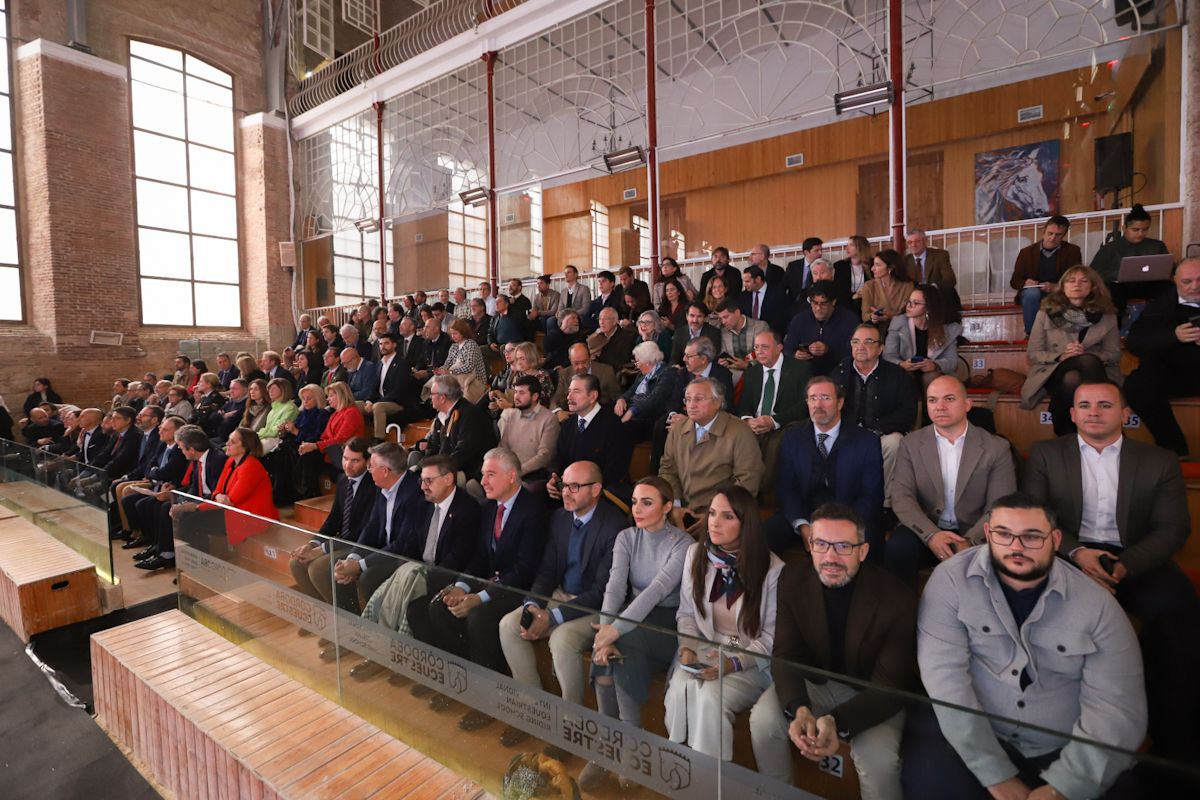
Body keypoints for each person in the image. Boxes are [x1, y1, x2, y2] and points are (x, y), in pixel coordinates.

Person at [906, 492, 1146, 800]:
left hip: (1061, 746)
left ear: (1056, 539)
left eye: (1031, 536)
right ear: (988, 534)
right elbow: (946, 682)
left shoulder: (1098, 607)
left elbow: (1117, 709)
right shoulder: (950, 581)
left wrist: (1065, 786)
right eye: (1004, 534)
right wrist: (995, 775)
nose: (1016, 547)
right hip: (972, 735)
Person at [1024, 380, 1199, 773]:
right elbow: (1035, 515)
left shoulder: (1158, 460)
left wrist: (1125, 565)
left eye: (1105, 405)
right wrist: (1077, 552)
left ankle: (1173, 738)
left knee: (1178, 610)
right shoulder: (1045, 454)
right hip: (1066, 554)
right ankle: (1048, 726)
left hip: (1137, 558)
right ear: (1072, 414)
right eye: (1084, 405)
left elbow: (1173, 528)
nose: (1094, 412)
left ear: (1124, 414)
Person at [753, 503, 915, 796]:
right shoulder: (792, 578)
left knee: (879, 762)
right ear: (810, 546)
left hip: (873, 694)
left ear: (862, 551)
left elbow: (890, 687)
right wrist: (800, 710)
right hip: (817, 684)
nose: (830, 557)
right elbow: (785, 655)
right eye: (821, 544)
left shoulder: (897, 598)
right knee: (764, 722)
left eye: (843, 546)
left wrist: (836, 722)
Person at [408, 448, 549, 731]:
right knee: (436, 606)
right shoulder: (489, 508)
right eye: (482, 474)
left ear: (511, 476)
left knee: (479, 617)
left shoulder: (534, 510)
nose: (482, 481)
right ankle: (463, 681)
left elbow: (525, 570)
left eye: (490, 474)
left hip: (521, 589)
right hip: (493, 582)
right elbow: (478, 558)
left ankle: (491, 699)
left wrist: (479, 597)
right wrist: (460, 586)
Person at [497, 461, 626, 743]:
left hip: (595, 605)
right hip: (560, 593)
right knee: (509, 624)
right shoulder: (558, 518)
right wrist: (533, 605)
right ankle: (535, 710)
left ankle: (572, 726)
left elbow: (603, 591)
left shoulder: (615, 525)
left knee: (562, 639)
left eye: (575, 487)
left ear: (596, 489)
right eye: (564, 485)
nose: (566, 492)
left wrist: (552, 617)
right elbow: (546, 570)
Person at [582, 476, 693, 792]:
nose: (637, 508)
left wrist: (614, 630)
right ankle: (609, 745)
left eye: (647, 502)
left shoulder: (683, 544)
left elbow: (657, 591)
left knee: (623, 643)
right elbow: (615, 587)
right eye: (634, 501)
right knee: (610, 654)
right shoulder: (626, 537)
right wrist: (606, 627)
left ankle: (631, 749)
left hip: (665, 621)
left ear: (667, 506)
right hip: (630, 616)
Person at [665, 485, 784, 770]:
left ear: (747, 524)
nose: (715, 522)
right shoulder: (695, 554)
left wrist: (731, 664)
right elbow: (686, 614)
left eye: (727, 516)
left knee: (710, 695)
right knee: (680, 685)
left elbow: (769, 639)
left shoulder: (773, 569)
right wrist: (687, 650)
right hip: (708, 645)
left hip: (747, 656)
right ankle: (680, 766)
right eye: (713, 514)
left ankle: (711, 778)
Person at [885, 376, 1017, 587]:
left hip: (975, 530)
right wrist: (931, 535)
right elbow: (902, 497)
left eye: (949, 399)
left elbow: (1000, 505)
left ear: (967, 404)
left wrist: (970, 541)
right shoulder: (910, 444)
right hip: (926, 528)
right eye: (932, 400)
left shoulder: (996, 448)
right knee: (898, 548)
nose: (940, 407)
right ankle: (902, 615)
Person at [766, 374, 884, 556]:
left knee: (872, 541)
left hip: (849, 517)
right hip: (805, 515)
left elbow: (872, 495)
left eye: (825, 398)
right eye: (813, 398)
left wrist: (840, 528)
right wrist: (802, 525)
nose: (818, 405)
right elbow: (787, 488)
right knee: (764, 535)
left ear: (840, 403)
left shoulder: (866, 441)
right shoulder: (792, 437)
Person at [1021, 265, 1121, 435]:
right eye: (1071, 280)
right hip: (1053, 371)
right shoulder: (1045, 313)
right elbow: (1034, 353)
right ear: (1063, 286)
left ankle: (1066, 434)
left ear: (1093, 286)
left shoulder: (1107, 316)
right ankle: (1109, 432)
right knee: (1078, 369)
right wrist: (1062, 355)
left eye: (1084, 281)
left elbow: (1114, 354)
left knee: (1074, 376)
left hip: (1095, 371)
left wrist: (1087, 355)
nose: (1077, 285)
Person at [329, 442, 423, 621]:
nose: (369, 469)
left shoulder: (413, 493)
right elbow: (371, 527)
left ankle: (378, 631)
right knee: (337, 565)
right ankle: (349, 624)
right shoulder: (383, 487)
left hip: (405, 557)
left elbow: (402, 544)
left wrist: (360, 565)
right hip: (385, 550)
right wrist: (352, 559)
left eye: (371, 466)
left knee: (368, 577)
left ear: (385, 471)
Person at [660, 377, 762, 535]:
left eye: (699, 399)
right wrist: (675, 506)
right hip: (681, 510)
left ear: (717, 402)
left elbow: (747, 480)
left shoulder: (740, 431)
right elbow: (668, 470)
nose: (691, 405)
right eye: (688, 399)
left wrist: (714, 515)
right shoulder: (677, 430)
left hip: (725, 514)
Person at [1124, 257, 1200, 457]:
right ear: (1175, 281)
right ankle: (1174, 450)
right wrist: (1174, 336)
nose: (1195, 286)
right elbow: (1135, 343)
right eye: (1187, 281)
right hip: (1172, 374)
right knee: (1137, 384)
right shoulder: (1160, 305)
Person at [831, 324, 919, 489]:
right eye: (855, 342)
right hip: (847, 432)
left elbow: (907, 413)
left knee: (895, 443)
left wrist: (876, 430)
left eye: (868, 342)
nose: (860, 347)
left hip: (881, 434)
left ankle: (884, 504)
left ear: (880, 349)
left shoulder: (897, 375)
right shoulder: (841, 371)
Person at [138, 425, 228, 571]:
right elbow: (193, 486)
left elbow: (217, 491)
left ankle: (195, 564)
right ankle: (165, 553)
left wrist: (188, 504)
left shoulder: (217, 459)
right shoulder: (196, 459)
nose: (180, 450)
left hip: (214, 504)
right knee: (167, 506)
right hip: (200, 499)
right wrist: (181, 499)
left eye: (181, 448)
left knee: (186, 517)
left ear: (191, 449)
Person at [734, 330, 811, 495]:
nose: (759, 352)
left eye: (764, 347)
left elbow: (803, 406)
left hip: (784, 423)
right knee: (735, 436)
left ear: (779, 348)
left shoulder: (799, 369)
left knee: (776, 443)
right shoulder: (752, 373)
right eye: (756, 347)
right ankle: (738, 493)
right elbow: (744, 405)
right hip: (755, 424)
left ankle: (763, 495)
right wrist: (748, 421)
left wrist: (773, 421)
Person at [549, 374, 631, 500]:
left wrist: (581, 489)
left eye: (576, 392)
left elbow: (615, 470)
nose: (569, 397)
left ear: (593, 396)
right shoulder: (568, 425)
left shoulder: (613, 425)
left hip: (600, 493)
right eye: (569, 391)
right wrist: (553, 478)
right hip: (568, 490)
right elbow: (559, 458)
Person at [201, 427, 278, 546]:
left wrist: (197, 507)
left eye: (232, 442)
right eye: (228, 440)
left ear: (245, 446)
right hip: (232, 512)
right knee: (190, 517)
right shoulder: (231, 461)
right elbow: (217, 490)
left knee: (194, 519)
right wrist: (218, 496)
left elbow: (231, 501)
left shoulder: (251, 467)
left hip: (250, 518)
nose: (227, 444)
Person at [411, 374, 497, 482]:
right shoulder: (441, 415)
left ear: (442, 398)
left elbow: (462, 453)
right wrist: (420, 468)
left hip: (468, 472)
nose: (429, 397)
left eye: (432, 394)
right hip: (447, 467)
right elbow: (434, 447)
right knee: (413, 473)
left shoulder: (469, 415)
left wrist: (436, 471)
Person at [1090, 203, 1172, 314]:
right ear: (1124, 228)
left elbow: (1168, 268)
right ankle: (1117, 326)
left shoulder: (1157, 246)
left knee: (1169, 288)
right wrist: (1118, 274)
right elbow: (1093, 273)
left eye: (1145, 229)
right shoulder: (1110, 248)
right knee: (1112, 291)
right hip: (1120, 288)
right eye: (1135, 229)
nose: (1140, 233)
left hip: (1149, 285)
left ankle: (1163, 323)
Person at [1010, 215, 1082, 334]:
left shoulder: (1072, 251)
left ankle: (1063, 336)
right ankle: (1032, 334)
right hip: (1033, 292)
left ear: (1064, 235)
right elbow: (1014, 281)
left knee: (1061, 297)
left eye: (1058, 235)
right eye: (1050, 233)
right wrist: (1026, 283)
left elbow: (1075, 278)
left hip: (1059, 291)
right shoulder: (1026, 253)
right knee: (1032, 293)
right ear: (1043, 232)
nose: (1052, 238)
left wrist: (1056, 286)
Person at [884, 284, 963, 391]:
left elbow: (952, 361)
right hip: (905, 371)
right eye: (909, 301)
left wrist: (935, 365)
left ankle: (931, 407)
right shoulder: (898, 323)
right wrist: (902, 364)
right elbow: (888, 355)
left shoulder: (947, 329)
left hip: (933, 374)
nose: (909, 306)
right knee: (905, 377)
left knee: (931, 377)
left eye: (915, 303)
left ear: (928, 308)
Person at [295, 381, 366, 498]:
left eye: (331, 396)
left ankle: (309, 494)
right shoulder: (335, 414)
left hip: (345, 453)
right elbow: (324, 436)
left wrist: (315, 446)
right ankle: (308, 494)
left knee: (309, 457)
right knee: (306, 456)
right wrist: (311, 445)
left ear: (341, 395)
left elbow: (341, 439)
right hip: (332, 452)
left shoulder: (352, 413)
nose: (328, 399)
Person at [783, 280, 859, 376]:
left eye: (823, 303)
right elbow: (787, 349)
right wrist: (795, 354)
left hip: (839, 372)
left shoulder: (849, 320)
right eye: (814, 303)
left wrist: (828, 350)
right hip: (806, 373)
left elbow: (854, 352)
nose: (818, 308)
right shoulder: (800, 319)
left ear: (833, 302)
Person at [497, 375, 560, 482]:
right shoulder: (511, 415)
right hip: (509, 473)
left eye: (521, 393)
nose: (516, 397)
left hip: (534, 476)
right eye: (516, 392)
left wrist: (517, 471)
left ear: (535, 396)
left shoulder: (549, 419)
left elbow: (544, 457)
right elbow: (503, 447)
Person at [613, 341, 674, 441]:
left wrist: (632, 411)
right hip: (633, 408)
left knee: (621, 430)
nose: (636, 365)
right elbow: (631, 390)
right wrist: (622, 399)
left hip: (646, 416)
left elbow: (653, 399)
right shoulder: (643, 373)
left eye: (638, 362)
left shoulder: (667, 373)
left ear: (648, 361)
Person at [548, 343, 620, 418]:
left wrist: (619, 402)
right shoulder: (564, 374)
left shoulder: (606, 371)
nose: (581, 367)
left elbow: (617, 397)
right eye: (576, 363)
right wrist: (558, 411)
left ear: (590, 357)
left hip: (600, 416)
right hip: (572, 417)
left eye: (584, 362)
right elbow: (555, 400)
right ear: (570, 360)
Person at [716, 299, 768, 382]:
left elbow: (766, 354)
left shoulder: (760, 327)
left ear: (737, 312)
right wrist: (723, 362)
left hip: (758, 373)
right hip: (732, 376)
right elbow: (723, 353)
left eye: (726, 317)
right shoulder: (723, 332)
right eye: (721, 318)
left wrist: (748, 365)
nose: (723, 322)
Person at [858, 249, 913, 327]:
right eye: (873, 264)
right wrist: (873, 316)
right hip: (877, 329)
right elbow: (865, 315)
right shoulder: (869, 286)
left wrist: (890, 316)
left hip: (901, 328)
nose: (872, 268)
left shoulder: (907, 286)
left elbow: (910, 312)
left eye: (877, 265)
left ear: (890, 268)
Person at [668, 301, 722, 366]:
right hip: (685, 371)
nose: (695, 320)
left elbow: (713, 359)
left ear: (705, 318)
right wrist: (675, 366)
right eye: (692, 315)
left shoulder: (713, 333)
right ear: (686, 316)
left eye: (699, 316)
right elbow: (674, 359)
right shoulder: (679, 333)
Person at [739, 264, 789, 335]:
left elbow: (781, 319)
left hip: (771, 334)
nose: (744, 285)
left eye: (747, 281)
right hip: (749, 335)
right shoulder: (743, 296)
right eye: (744, 281)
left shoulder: (778, 294)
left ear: (758, 279)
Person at [834, 234, 873, 315]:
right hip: (846, 304)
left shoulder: (872, 264)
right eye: (847, 245)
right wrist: (854, 295)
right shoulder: (840, 266)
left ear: (860, 247)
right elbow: (839, 290)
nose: (847, 248)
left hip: (867, 302)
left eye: (851, 245)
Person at [784, 237, 825, 303]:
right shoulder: (793, 266)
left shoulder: (823, 266)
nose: (820, 253)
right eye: (816, 250)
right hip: (794, 302)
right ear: (806, 252)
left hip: (813, 302)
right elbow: (784, 285)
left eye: (821, 250)